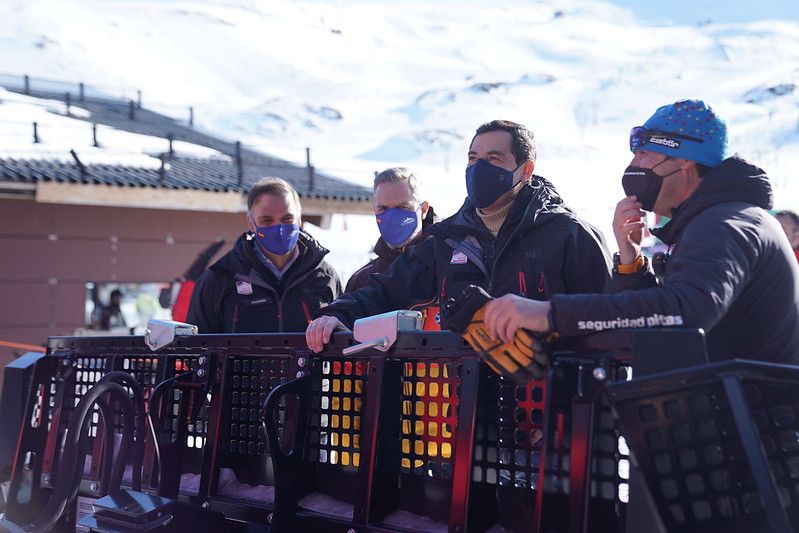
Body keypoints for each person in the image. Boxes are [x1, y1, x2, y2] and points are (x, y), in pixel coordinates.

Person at [481, 99, 799, 364]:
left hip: (752, 426)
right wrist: (631, 260)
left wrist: (548, 313)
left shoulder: (727, 222)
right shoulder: (718, 219)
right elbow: (653, 324)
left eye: (643, 154)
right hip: (737, 419)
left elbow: (685, 311)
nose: (634, 165)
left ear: (684, 160)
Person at [306, 119, 612, 352]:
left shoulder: (569, 236)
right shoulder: (447, 240)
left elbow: (604, 320)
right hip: (465, 412)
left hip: (546, 413)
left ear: (526, 169)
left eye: (494, 159)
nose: (479, 169)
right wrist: (337, 314)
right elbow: (385, 291)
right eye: (473, 158)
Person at [187, 177, 341, 333]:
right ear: (251, 223)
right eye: (267, 220)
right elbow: (196, 348)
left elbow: (342, 341)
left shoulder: (325, 277)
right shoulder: (220, 278)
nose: (279, 228)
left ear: (299, 218)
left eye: (287, 219)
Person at [345, 167, 441, 328]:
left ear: (423, 209)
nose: (392, 216)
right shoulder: (362, 279)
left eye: (402, 207)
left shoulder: (450, 263)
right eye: (383, 209)